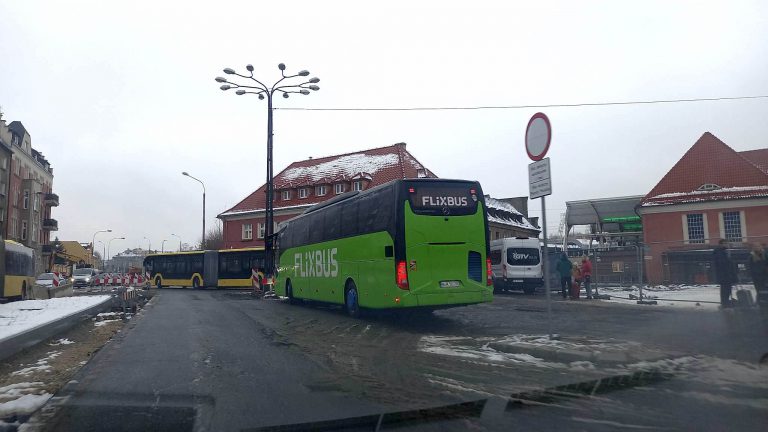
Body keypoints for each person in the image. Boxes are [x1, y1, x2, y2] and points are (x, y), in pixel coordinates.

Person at [713, 239, 736, 308]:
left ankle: (725, 303)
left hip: (725, 275)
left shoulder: (723, 252)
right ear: (720, 244)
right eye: (725, 243)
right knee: (725, 290)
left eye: (727, 243)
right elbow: (723, 264)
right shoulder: (720, 252)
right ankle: (725, 303)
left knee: (726, 289)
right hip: (724, 275)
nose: (727, 244)